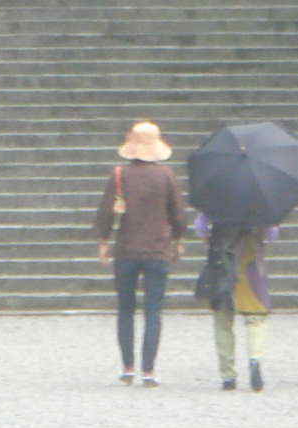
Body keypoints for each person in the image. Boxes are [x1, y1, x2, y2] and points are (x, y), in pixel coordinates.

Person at [93, 120, 187, 386]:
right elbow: (178, 213)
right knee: (153, 311)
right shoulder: (166, 175)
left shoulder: (119, 175)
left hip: (126, 249)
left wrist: (103, 241)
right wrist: (178, 238)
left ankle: (127, 367)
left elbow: (106, 212)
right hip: (158, 248)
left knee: (125, 309)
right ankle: (149, 370)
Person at [193, 212, 277, 391]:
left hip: (222, 262)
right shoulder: (259, 202)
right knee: (255, 318)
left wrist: (208, 240)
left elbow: (200, 226)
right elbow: (272, 233)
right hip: (250, 263)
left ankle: (228, 375)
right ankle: (254, 359)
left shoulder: (216, 200)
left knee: (223, 321)